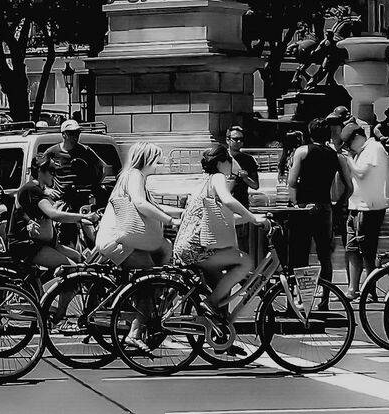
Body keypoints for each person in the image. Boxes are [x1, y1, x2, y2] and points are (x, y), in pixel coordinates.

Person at [174, 146, 265, 329]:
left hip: (186, 247)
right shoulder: (218, 177)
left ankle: (219, 330)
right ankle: (210, 303)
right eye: (230, 161)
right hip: (197, 249)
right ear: (222, 162)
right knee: (245, 262)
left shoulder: (203, 181)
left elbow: (223, 217)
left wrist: (251, 218)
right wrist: (253, 217)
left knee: (221, 286)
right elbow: (228, 200)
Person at [286, 119, 354, 291]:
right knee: (324, 255)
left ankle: (301, 294)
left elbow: (291, 182)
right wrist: (338, 206)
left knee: (300, 253)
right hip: (324, 206)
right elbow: (349, 187)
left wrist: (295, 203)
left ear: (310, 133)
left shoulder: (302, 151)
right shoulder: (337, 156)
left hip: (303, 207)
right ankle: (325, 296)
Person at [94, 142, 182, 269]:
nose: (159, 166)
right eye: (157, 162)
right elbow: (140, 203)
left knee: (165, 246)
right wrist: (170, 220)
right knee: (148, 271)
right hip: (117, 241)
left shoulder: (131, 176)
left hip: (125, 239)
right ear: (147, 160)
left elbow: (155, 208)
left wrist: (181, 212)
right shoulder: (135, 174)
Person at [10, 157, 97, 270]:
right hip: (28, 245)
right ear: (40, 171)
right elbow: (54, 215)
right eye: (51, 170)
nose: (54, 175)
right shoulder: (32, 190)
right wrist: (84, 217)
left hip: (46, 243)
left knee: (78, 257)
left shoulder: (40, 190)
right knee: (71, 268)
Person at [340, 122, 389, 298]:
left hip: (369, 208)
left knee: (367, 251)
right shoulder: (362, 151)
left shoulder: (374, 148)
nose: (349, 148)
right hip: (356, 206)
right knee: (352, 248)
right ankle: (353, 289)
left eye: (349, 144)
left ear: (357, 137)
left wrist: (348, 159)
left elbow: (362, 174)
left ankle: (370, 290)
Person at [37, 119, 107, 244]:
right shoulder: (52, 152)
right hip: (63, 200)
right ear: (63, 134)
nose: (75, 136)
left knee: (91, 235)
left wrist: (93, 184)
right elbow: (38, 173)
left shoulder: (85, 151)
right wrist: (46, 189)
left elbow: (103, 168)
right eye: (71, 133)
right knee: (65, 235)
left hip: (84, 200)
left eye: (77, 133)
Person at [224, 126, 259, 209]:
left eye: (241, 139)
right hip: (223, 203)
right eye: (236, 139)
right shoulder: (221, 158)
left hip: (241, 203)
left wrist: (245, 178)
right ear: (228, 140)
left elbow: (255, 186)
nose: (239, 141)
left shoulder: (248, 160)